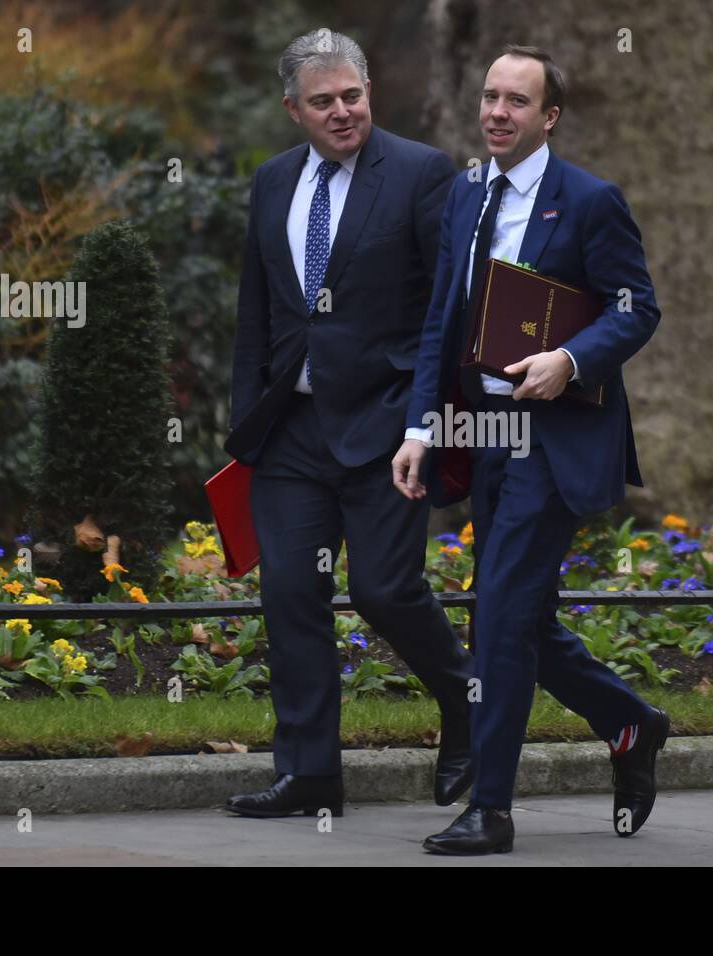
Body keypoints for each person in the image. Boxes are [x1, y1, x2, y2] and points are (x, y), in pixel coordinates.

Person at [392, 45, 666, 855]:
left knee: (500, 616)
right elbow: (442, 319)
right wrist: (419, 429)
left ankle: (493, 809)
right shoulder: (467, 193)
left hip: (556, 439)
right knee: (525, 619)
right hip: (485, 435)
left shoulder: (589, 201)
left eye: (518, 101)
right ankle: (631, 723)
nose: (497, 113)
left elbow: (636, 306)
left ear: (548, 117)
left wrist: (571, 358)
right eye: (490, 97)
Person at [225, 28, 476, 819]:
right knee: (291, 592)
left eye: (354, 97)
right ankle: (310, 774)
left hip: (387, 426)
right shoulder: (270, 184)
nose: (343, 113)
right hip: (291, 431)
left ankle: (468, 704)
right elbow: (256, 314)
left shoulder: (420, 173)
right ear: (293, 108)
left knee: (383, 588)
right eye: (325, 101)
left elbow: (449, 310)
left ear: (371, 93)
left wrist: (427, 423)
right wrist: (247, 428)